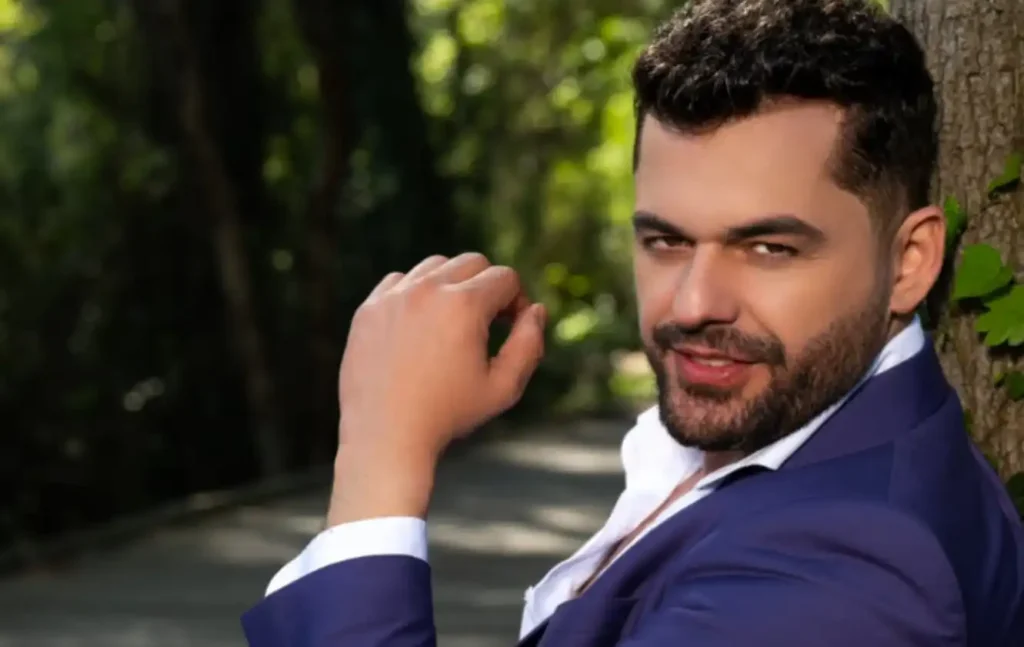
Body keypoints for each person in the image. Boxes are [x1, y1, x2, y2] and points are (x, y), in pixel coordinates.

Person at [241, 0, 1024, 645]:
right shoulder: (796, 440)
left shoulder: (848, 579)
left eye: (769, 247)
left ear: (911, 261)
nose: (692, 303)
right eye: (666, 240)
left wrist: (379, 466)